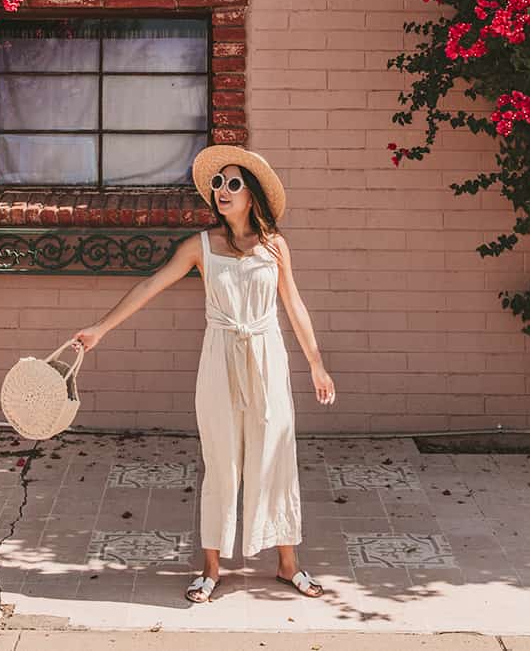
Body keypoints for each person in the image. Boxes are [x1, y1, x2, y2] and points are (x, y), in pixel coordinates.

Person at [71, 145, 336, 603]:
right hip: (219, 358)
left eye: (233, 183)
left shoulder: (275, 246)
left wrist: (316, 363)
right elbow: (151, 285)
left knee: (275, 455)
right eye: (218, 184)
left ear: (251, 195)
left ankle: (288, 564)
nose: (223, 190)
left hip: (267, 356)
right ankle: (211, 569)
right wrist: (100, 327)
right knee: (221, 460)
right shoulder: (200, 246)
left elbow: (293, 305)